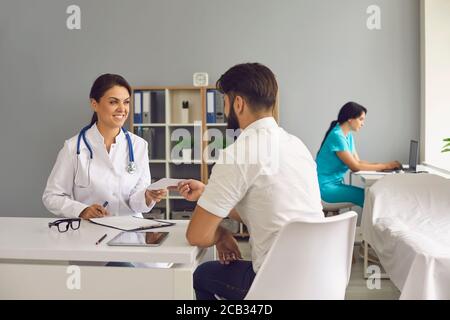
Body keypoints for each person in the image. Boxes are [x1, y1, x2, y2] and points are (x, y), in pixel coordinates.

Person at [175, 63, 323, 300]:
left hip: (278, 285)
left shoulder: (238, 152)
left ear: (238, 103)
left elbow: (197, 236)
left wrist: (222, 234)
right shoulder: (296, 144)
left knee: (201, 275)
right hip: (322, 277)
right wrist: (207, 193)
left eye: (224, 101)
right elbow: (263, 210)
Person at [43, 73, 166, 219]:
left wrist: (147, 196)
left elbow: (135, 203)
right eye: (113, 102)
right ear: (94, 104)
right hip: (89, 233)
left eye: (126, 102)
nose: (122, 109)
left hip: (129, 232)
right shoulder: (73, 147)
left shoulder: (139, 146)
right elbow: (52, 196)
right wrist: (81, 210)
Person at [315, 102, 401, 208]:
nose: (363, 123)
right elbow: (355, 167)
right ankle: (374, 225)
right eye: (361, 119)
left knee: (371, 196)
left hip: (334, 185)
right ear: (350, 119)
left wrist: (383, 165)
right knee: (369, 197)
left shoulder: (347, 135)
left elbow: (358, 162)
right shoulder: (337, 136)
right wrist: (386, 166)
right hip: (325, 188)